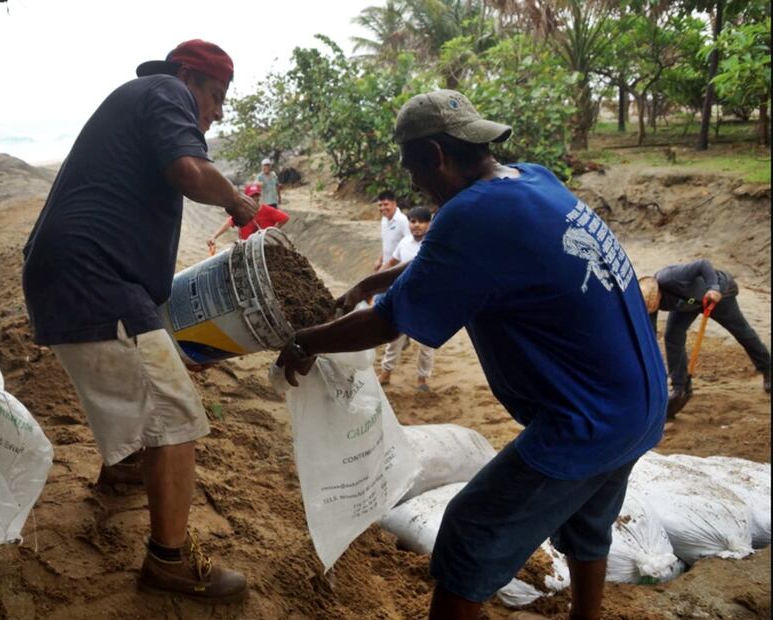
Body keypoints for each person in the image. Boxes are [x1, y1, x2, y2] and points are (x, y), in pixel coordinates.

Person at [275, 90, 667, 620]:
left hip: (587, 420)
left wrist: (306, 341)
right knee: (586, 520)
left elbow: (392, 320)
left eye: (412, 167)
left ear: (435, 156)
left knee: (468, 531)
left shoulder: (470, 214)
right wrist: (371, 279)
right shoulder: (532, 179)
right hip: (641, 402)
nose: (413, 182)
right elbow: (444, 261)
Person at [21, 40, 257, 603]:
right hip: (93, 274)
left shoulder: (141, 98)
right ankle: (169, 563)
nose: (218, 111)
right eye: (217, 96)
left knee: (151, 367)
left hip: (79, 270)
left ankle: (125, 469)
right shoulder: (166, 90)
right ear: (189, 76)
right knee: (174, 412)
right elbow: (189, 171)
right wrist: (239, 206)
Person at [639, 260, 771, 418]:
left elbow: (703, 265)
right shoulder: (647, 303)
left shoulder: (670, 278)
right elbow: (650, 336)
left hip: (717, 295)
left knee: (742, 332)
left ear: (658, 292)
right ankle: (680, 386)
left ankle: (768, 369)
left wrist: (713, 288)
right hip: (689, 303)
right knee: (672, 337)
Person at [377, 206, 435, 391]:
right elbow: (391, 263)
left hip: (427, 302)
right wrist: (375, 279)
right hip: (403, 299)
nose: (416, 225)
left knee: (426, 344)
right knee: (394, 339)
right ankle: (386, 372)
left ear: (429, 223)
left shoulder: (434, 245)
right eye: (413, 221)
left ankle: (422, 379)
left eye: (421, 222)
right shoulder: (404, 243)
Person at [206, 182, 289, 251]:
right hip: (246, 246)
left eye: (257, 195)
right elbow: (228, 223)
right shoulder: (242, 212)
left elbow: (285, 218)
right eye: (252, 196)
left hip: (264, 246)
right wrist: (214, 237)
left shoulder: (267, 210)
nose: (255, 198)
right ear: (246, 198)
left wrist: (270, 232)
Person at [373, 190, 409, 272]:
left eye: (386, 204)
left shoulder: (402, 220)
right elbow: (387, 243)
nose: (382, 208)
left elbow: (410, 244)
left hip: (399, 268)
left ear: (394, 204)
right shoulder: (384, 220)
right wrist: (380, 260)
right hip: (386, 266)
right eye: (380, 205)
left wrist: (386, 267)